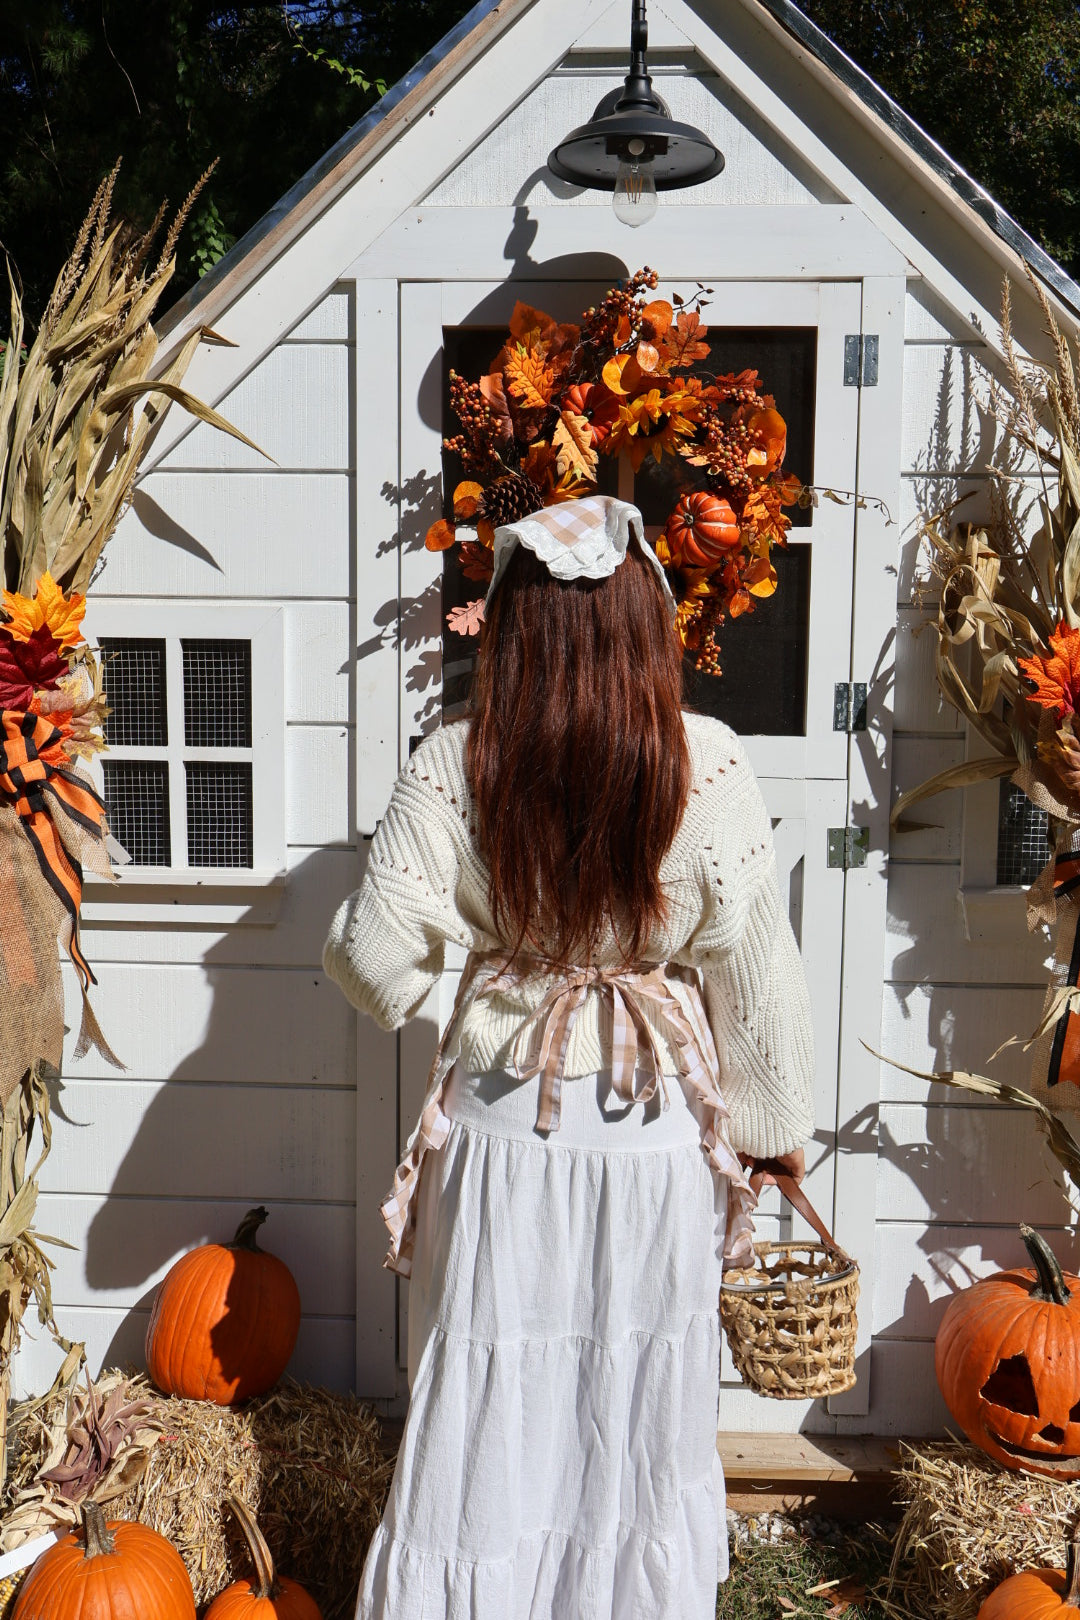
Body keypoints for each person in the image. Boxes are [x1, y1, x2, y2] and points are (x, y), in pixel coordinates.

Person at [323, 493, 815, 1620]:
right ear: (649, 624)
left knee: (491, 1382)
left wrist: (414, 981)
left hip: (504, 1132)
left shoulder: (454, 761)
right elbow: (760, 977)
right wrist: (775, 1134)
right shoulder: (715, 762)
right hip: (650, 1138)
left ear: (511, 629)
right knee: (633, 1388)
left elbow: (371, 961)